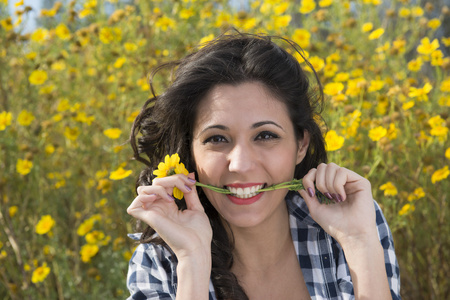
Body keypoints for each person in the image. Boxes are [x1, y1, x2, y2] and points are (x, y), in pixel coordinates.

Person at [126, 32, 401, 300]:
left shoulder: (353, 222)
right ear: (191, 152)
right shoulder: (160, 260)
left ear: (301, 145)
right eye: (217, 139)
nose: (241, 164)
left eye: (266, 136)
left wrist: (359, 242)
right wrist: (192, 261)